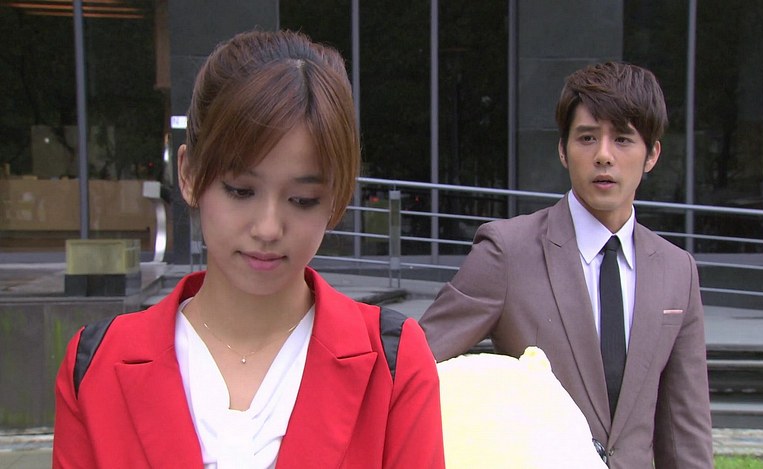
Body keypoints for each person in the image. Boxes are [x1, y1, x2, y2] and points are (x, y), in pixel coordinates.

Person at [54, 29, 444, 468]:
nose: (268, 228)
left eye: (303, 200)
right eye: (240, 191)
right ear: (188, 174)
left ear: (337, 198)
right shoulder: (96, 363)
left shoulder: (391, 362)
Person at [419, 62, 713, 468]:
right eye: (587, 138)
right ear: (563, 149)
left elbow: (685, 430)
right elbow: (416, 361)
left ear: (652, 155)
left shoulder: (677, 270)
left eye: (623, 139)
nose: (603, 155)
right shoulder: (508, 252)